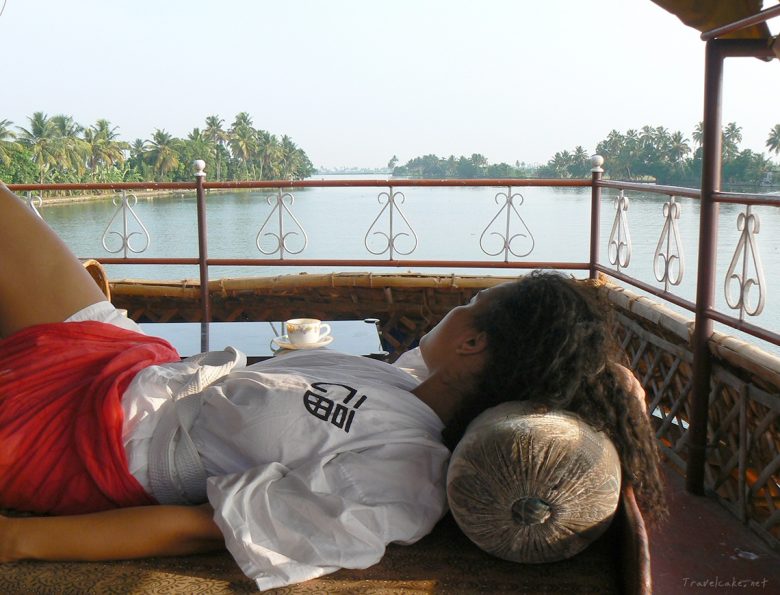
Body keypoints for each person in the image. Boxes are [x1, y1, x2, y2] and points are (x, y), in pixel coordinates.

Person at [0, 181, 665, 589]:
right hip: (131, 362)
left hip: (91, 443)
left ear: (472, 341)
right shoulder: (410, 386)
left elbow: (205, 530)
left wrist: (18, 540)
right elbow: (622, 387)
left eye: (469, 300)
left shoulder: (402, 479)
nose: (452, 306)